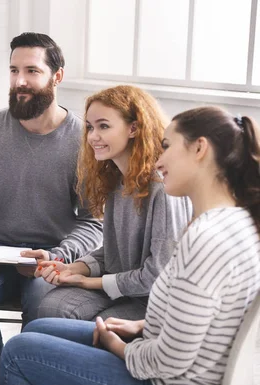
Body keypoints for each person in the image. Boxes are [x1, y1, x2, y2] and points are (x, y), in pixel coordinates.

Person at [0, 106, 260, 385]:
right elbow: (203, 320)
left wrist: (119, 347)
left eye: (167, 147)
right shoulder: (237, 220)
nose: (159, 160)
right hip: (173, 367)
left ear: (199, 148)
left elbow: (169, 360)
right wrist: (140, 326)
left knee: (19, 352)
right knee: (40, 327)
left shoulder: (205, 239)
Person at [0, 32, 103, 385]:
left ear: (57, 77)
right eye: (14, 70)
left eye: (32, 70)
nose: (19, 81)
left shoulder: (83, 140)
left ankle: (31, 381)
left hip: (53, 251)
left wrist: (59, 255)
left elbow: (94, 221)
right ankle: (1, 382)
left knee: (43, 302)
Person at [35, 85, 191, 321]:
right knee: (51, 307)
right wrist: (72, 268)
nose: (92, 136)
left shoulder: (163, 189)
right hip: (125, 289)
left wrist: (88, 282)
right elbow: (114, 254)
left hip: (157, 301)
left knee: (96, 322)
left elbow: (158, 274)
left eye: (103, 126)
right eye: (89, 127)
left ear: (133, 128)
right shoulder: (116, 181)